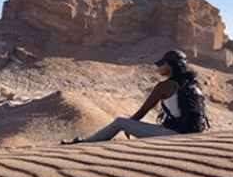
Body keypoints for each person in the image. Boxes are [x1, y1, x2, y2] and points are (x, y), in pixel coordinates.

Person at [62, 49, 208, 144]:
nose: (158, 68)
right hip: (194, 135)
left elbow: (142, 112)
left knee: (120, 122)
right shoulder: (194, 86)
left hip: (173, 135)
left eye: (161, 65)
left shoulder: (164, 86)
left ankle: (86, 143)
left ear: (170, 65)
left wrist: (129, 125)